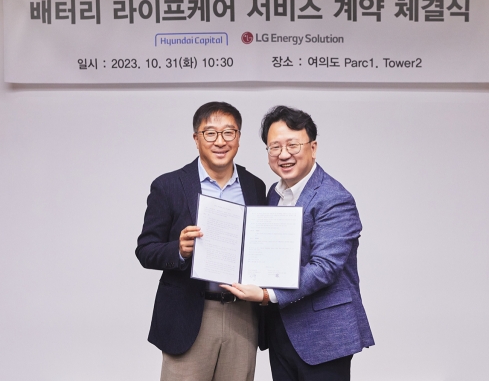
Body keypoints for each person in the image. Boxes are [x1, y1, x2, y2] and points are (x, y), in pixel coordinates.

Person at [221, 105, 374, 381]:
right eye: (274, 147)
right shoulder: (274, 193)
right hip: (281, 330)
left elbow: (325, 267)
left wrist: (267, 295)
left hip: (324, 335)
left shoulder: (334, 198)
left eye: (293, 145)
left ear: (312, 148)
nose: (283, 154)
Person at [135, 102, 267, 381]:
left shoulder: (255, 186)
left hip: (242, 313)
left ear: (239, 138)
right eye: (210, 133)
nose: (220, 141)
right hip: (188, 314)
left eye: (229, 132)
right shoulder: (169, 185)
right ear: (196, 139)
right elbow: (145, 250)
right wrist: (179, 250)